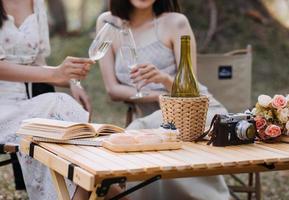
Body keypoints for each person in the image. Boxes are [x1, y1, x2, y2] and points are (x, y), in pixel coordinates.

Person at [97, 0, 230, 199]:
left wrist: (164, 79)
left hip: (194, 111)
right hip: (157, 116)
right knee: (145, 131)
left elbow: (190, 86)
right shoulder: (108, 23)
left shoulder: (176, 23)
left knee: (138, 131)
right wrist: (158, 97)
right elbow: (112, 89)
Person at [0, 0, 94, 199]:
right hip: (3, 106)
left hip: (28, 101)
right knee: (57, 105)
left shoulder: (37, 4)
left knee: (59, 112)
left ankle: (78, 190)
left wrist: (71, 81)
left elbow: (37, 64)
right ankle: (94, 187)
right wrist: (55, 75)